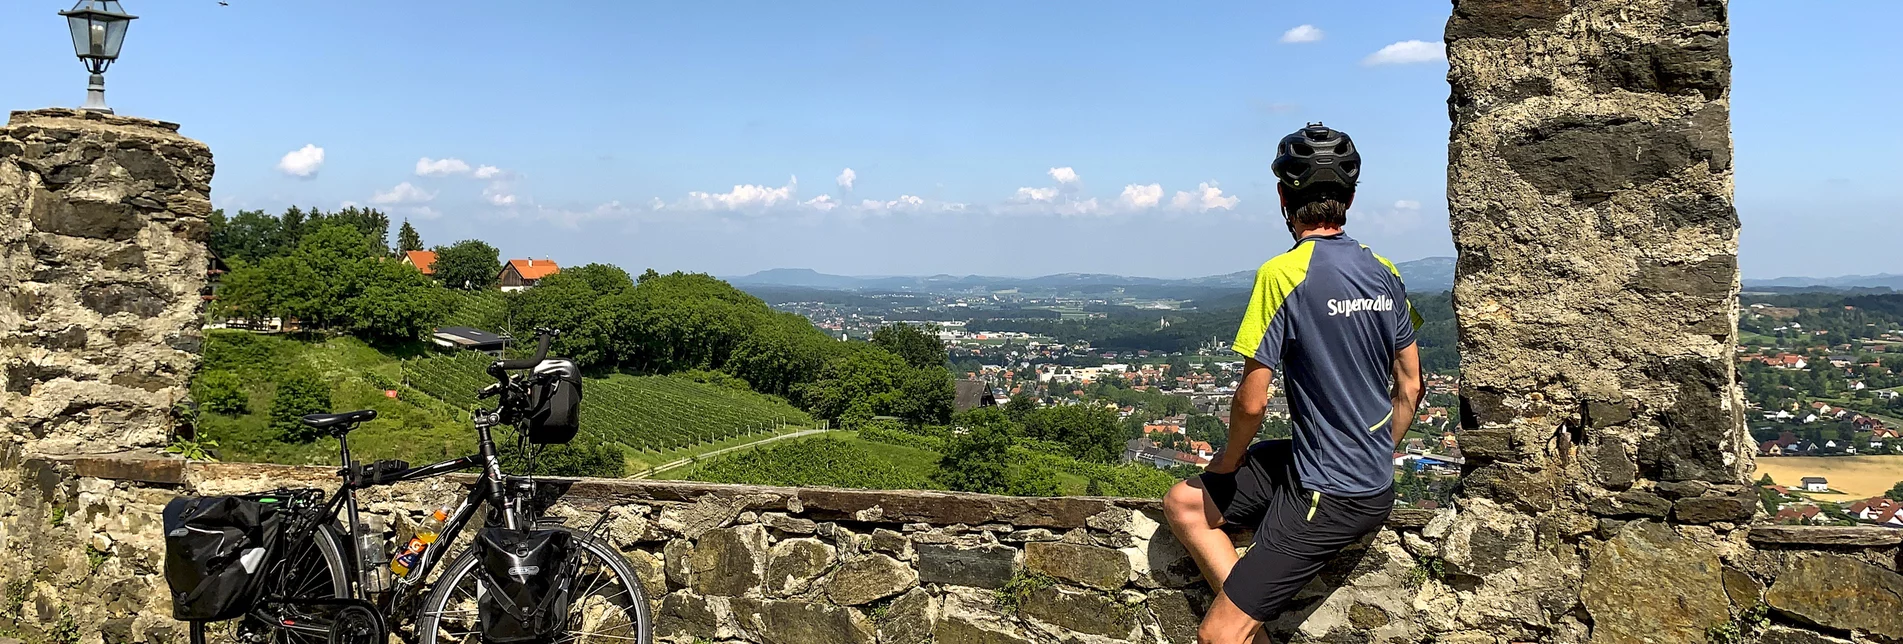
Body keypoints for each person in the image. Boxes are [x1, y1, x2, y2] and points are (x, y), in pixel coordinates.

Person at [1162, 123, 1424, 644]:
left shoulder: (1282, 275)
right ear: (1349, 198)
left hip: (1328, 490)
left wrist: (1229, 459)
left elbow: (1253, 402)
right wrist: (1375, 451)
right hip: (1348, 471)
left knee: (1216, 638)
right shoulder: (1385, 271)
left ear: (1283, 196)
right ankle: (1250, 628)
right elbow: (1411, 386)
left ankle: (1237, 626)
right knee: (1185, 503)